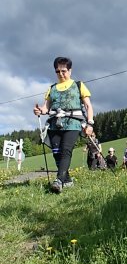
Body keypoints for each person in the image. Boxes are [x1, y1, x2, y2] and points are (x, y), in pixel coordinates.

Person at [33, 56, 94, 193]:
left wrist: (90, 124)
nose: (61, 74)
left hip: (73, 123)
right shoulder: (52, 88)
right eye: (57, 71)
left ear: (70, 71)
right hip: (55, 124)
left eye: (64, 71)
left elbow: (88, 106)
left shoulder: (78, 85)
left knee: (66, 150)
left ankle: (59, 180)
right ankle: (67, 180)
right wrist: (39, 110)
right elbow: (46, 108)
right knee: (56, 153)